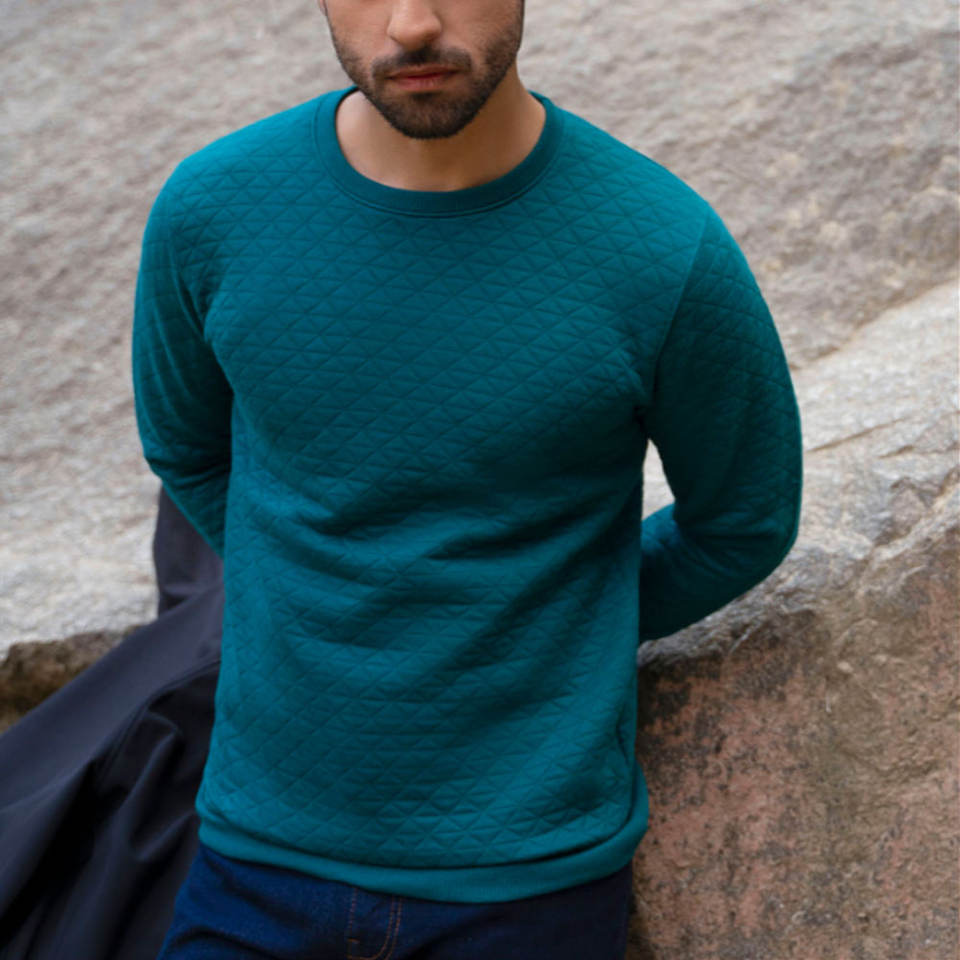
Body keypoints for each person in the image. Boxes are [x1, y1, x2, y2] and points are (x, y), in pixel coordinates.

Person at [132, 0, 803, 956]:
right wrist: (308, 593)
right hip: (253, 859)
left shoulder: (663, 247)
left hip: (526, 885)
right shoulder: (212, 210)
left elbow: (743, 519)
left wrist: (564, 626)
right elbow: (189, 450)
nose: (412, 24)